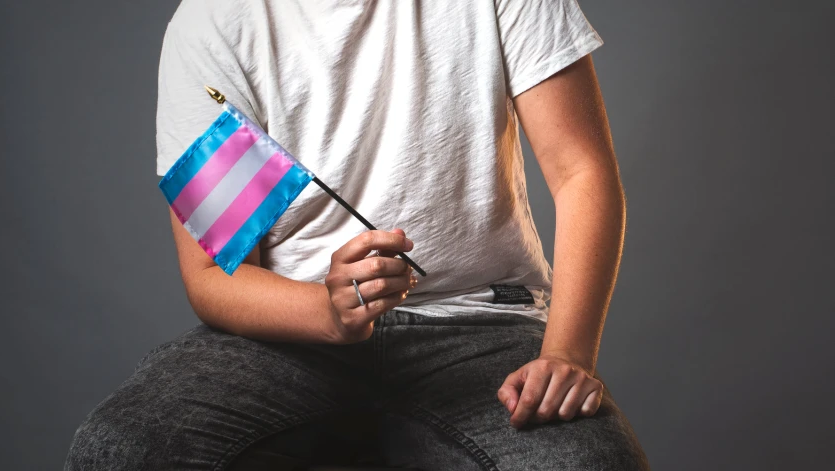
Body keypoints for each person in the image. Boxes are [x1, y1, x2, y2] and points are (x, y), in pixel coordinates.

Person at [66, 0, 649, 469]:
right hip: (286, 336)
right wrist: (326, 308)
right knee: (121, 451)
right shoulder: (219, 21)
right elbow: (215, 277)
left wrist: (569, 352)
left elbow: (581, 173)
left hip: (482, 324)